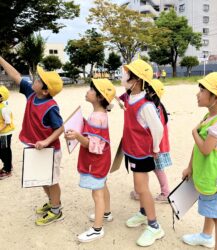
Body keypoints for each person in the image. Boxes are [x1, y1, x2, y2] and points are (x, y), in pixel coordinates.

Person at [0, 56, 64, 226]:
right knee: (41, 178)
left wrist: (46, 141)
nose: (34, 79)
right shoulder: (31, 92)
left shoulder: (51, 106)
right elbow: (15, 75)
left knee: (51, 180)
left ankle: (56, 210)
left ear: (45, 90)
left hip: (49, 150)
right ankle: (51, 202)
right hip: (35, 147)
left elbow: (60, 128)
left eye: (39, 80)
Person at [182, 72, 217, 250]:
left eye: (202, 90)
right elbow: (198, 148)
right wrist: (190, 167)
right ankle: (205, 236)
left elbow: (205, 149)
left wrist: (194, 132)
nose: (198, 94)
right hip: (208, 176)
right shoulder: (209, 117)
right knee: (212, 210)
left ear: (215, 97)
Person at [120, 59, 165, 247]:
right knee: (139, 184)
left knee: (141, 188)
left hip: (142, 152)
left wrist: (155, 149)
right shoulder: (130, 96)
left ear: (136, 80)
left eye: (127, 73)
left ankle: (154, 226)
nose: (123, 76)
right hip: (131, 149)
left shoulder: (145, 104)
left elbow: (158, 129)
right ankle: (143, 212)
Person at [65, 78, 115, 243]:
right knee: (103, 184)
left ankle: (97, 229)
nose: (88, 91)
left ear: (100, 97)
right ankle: (106, 212)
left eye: (92, 89)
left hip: (96, 160)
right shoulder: (99, 114)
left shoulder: (96, 117)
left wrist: (78, 136)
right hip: (104, 158)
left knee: (97, 193)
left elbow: (93, 145)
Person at [130, 79, 172, 202]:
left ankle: (165, 192)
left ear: (153, 93)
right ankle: (140, 191)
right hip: (156, 144)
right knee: (149, 168)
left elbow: (157, 129)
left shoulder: (152, 108)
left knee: (155, 169)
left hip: (155, 145)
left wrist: (155, 147)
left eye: (148, 90)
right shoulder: (158, 106)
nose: (145, 92)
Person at [0, 85, 15, 180]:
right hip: (1, 133)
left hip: (5, 133)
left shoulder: (4, 108)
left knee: (5, 151)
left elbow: (7, 122)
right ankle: (8, 164)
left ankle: (7, 169)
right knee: (2, 151)